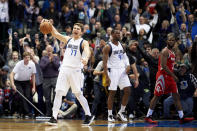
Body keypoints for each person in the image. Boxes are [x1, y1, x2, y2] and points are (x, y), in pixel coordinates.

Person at [42, 20, 94, 126]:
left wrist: (86, 58)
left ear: (81, 32)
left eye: (78, 29)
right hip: (64, 69)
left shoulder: (83, 42)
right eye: (74, 28)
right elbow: (55, 34)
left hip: (75, 71)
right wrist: (50, 25)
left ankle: (88, 115)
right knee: (59, 93)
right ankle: (54, 117)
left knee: (78, 94)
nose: (75, 30)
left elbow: (88, 51)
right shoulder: (68, 39)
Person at [144, 33, 194, 124]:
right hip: (162, 76)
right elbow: (163, 66)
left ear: (175, 42)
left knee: (176, 96)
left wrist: (176, 67)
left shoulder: (173, 52)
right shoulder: (165, 51)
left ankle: (181, 117)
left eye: (172, 40)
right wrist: (174, 75)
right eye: (169, 40)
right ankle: (148, 116)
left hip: (169, 76)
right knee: (157, 96)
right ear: (167, 41)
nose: (171, 41)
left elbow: (170, 65)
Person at [103, 28, 131, 122]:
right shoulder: (108, 47)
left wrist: (127, 65)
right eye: (117, 33)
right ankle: (110, 115)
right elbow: (105, 63)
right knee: (112, 93)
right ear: (112, 34)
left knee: (127, 90)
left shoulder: (122, 45)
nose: (119, 35)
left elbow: (125, 57)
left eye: (120, 33)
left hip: (122, 71)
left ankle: (121, 112)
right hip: (113, 71)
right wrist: (106, 76)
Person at [10, 52, 36, 117]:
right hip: (18, 82)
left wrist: (33, 87)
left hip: (27, 82)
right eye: (26, 58)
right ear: (23, 58)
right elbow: (11, 74)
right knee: (22, 96)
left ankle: (23, 112)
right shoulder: (19, 64)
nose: (27, 59)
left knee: (27, 96)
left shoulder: (32, 64)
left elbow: (33, 76)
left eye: (28, 57)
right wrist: (13, 84)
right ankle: (27, 112)